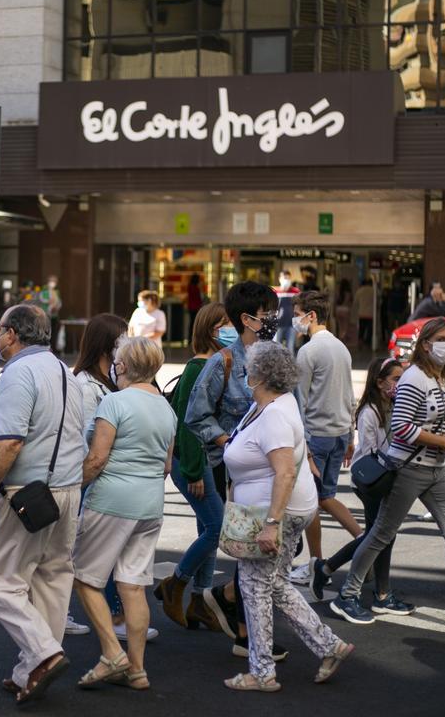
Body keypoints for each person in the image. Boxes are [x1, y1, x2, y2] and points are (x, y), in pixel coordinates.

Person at [331, 317, 445, 632]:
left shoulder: (440, 377)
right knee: (381, 533)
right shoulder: (414, 377)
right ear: (426, 344)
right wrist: (441, 441)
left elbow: (436, 419)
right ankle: (346, 595)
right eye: (442, 338)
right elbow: (402, 428)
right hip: (408, 468)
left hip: (435, 470)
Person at [0, 304, 86, 705]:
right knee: (52, 577)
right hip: (66, 489)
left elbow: (10, 441)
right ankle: (31, 669)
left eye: (0, 331)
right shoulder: (64, 372)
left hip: (23, 492)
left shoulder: (19, 374)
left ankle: (43, 653)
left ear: (13, 334)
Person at [223, 341, 354, 692]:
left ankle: (262, 671)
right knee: (275, 583)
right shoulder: (272, 404)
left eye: (249, 367)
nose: (244, 372)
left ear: (261, 375)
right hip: (282, 510)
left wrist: (271, 524)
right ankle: (328, 645)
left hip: (274, 514)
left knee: (254, 586)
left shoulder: (276, 414)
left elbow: (283, 473)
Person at [73, 336, 175, 692]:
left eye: (117, 363)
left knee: (84, 577)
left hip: (112, 500)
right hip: (150, 504)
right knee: (133, 586)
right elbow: (166, 464)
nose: (115, 369)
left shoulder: (113, 402)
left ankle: (111, 653)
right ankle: (137, 669)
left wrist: (72, 486)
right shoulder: (166, 409)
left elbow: (97, 459)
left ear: (126, 367)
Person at [184, 281, 279, 652]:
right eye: (268, 313)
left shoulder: (276, 357)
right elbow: (195, 416)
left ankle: (225, 597)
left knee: (283, 547)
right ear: (248, 318)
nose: (274, 319)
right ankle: (247, 634)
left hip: (277, 470)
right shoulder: (221, 362)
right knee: (255, 548)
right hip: (238, 475)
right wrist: (228, 441)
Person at [311, 357, 415, 617]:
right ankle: (381, 594)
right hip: (372, 480)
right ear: (380, 383)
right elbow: (370, 450)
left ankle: (327, 570)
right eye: (395, 379)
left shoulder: (395, 405)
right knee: (380, 537)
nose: (399, 384)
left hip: (388, 477)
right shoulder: (370, 411)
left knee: (376, 536)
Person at [153, 302, 230, 631]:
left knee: (207, 529)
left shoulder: (214, 363)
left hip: (212, 461)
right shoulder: (199, 368)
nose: (232, 332)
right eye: (225, 325)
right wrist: (196, 472)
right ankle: (177, 583)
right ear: (211, 330)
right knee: (216, 528)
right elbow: (188, 424)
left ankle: (200, 600)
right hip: (195, 461)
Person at [291, 290, 363, 585]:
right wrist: (349, 435)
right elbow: (349, 396)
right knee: (326, 497)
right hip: (337, 434)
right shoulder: (341, 349)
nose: (295, 320)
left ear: (312, 316)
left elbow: (300, 400)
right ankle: (365, 541)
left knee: (312, 502)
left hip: (316, 436)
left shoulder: (308, 352)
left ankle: (315, 563)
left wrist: (303, 445)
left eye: (297, 315)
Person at [273, 271, 300, 353]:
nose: (286, 280)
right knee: (276, 348)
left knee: (290, 348)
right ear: (280, 279)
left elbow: (299, 308)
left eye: (288, 278)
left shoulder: (295, 291)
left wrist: (300, 326)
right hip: (278, 324)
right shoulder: (275, 292)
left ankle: (290, 366)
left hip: (292, 325)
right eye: (285, 278)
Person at [40, 275, 63, 351]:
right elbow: (42, 300)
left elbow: (59, 302)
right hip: (46, 315)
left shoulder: (56, 291)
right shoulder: (44, 291)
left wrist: (57, 307)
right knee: (46, 331)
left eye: (55, 281)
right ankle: (45, 348)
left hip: (54, 315)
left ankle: (53, 348)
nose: (53, 283)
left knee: (53, 332)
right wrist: (49, 302)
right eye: (52, 281)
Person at [354, 279, 375, 347]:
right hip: (370, 314)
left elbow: (355, 302)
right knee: (369, 330)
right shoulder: (373, 290)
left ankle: (360, 342)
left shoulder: (359, 291)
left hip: (362, 313)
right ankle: (368, 343)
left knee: (361, 329)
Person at [333, 280, 353, 346]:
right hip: (345, 309)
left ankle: (340, 341)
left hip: (338, 309)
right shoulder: (348, 293)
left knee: (340, 327)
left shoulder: (338, 292)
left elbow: (334, 302)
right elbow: (350, 303)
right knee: (345, 327)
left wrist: (334, 311)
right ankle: (343, 341)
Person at [185, 274, 204, 342]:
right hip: (196, 308)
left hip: (191, 307)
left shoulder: (189, 287)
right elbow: (199, 299)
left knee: (191, 323)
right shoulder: (196, 288)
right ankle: (194, 339)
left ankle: (190, 339)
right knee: (195, 323)